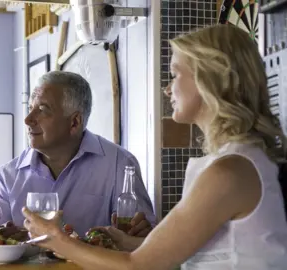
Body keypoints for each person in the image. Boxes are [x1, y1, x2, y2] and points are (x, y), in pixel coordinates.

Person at [22, 24, 287, 269]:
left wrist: (58, 240)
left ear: (210, 79)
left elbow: (138, 266)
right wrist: (130, 243)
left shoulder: (228, 172)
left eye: (175, 74)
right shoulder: (235, 162)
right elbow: (194, 251)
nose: (167, 89)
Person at [0, 71, 156, 241]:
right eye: (30, 108)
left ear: (74, 122)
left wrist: (138, 232)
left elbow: (146, 243)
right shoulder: (6, 177)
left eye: (42, 110)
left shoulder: (119, 164)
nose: (28, 119)